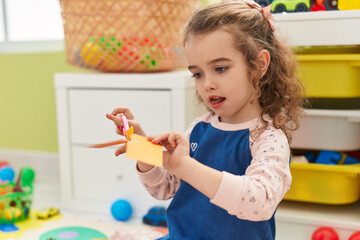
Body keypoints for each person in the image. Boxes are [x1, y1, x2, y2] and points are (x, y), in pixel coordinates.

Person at [106, 1, 306, 239]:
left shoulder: (268, 138)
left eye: (220, 68)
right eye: (198, 74)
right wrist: (143, 150)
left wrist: (182, 165)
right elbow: (164, 189)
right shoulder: (200, 128)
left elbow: (259, 201)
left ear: (259, 65)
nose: (207, 84)